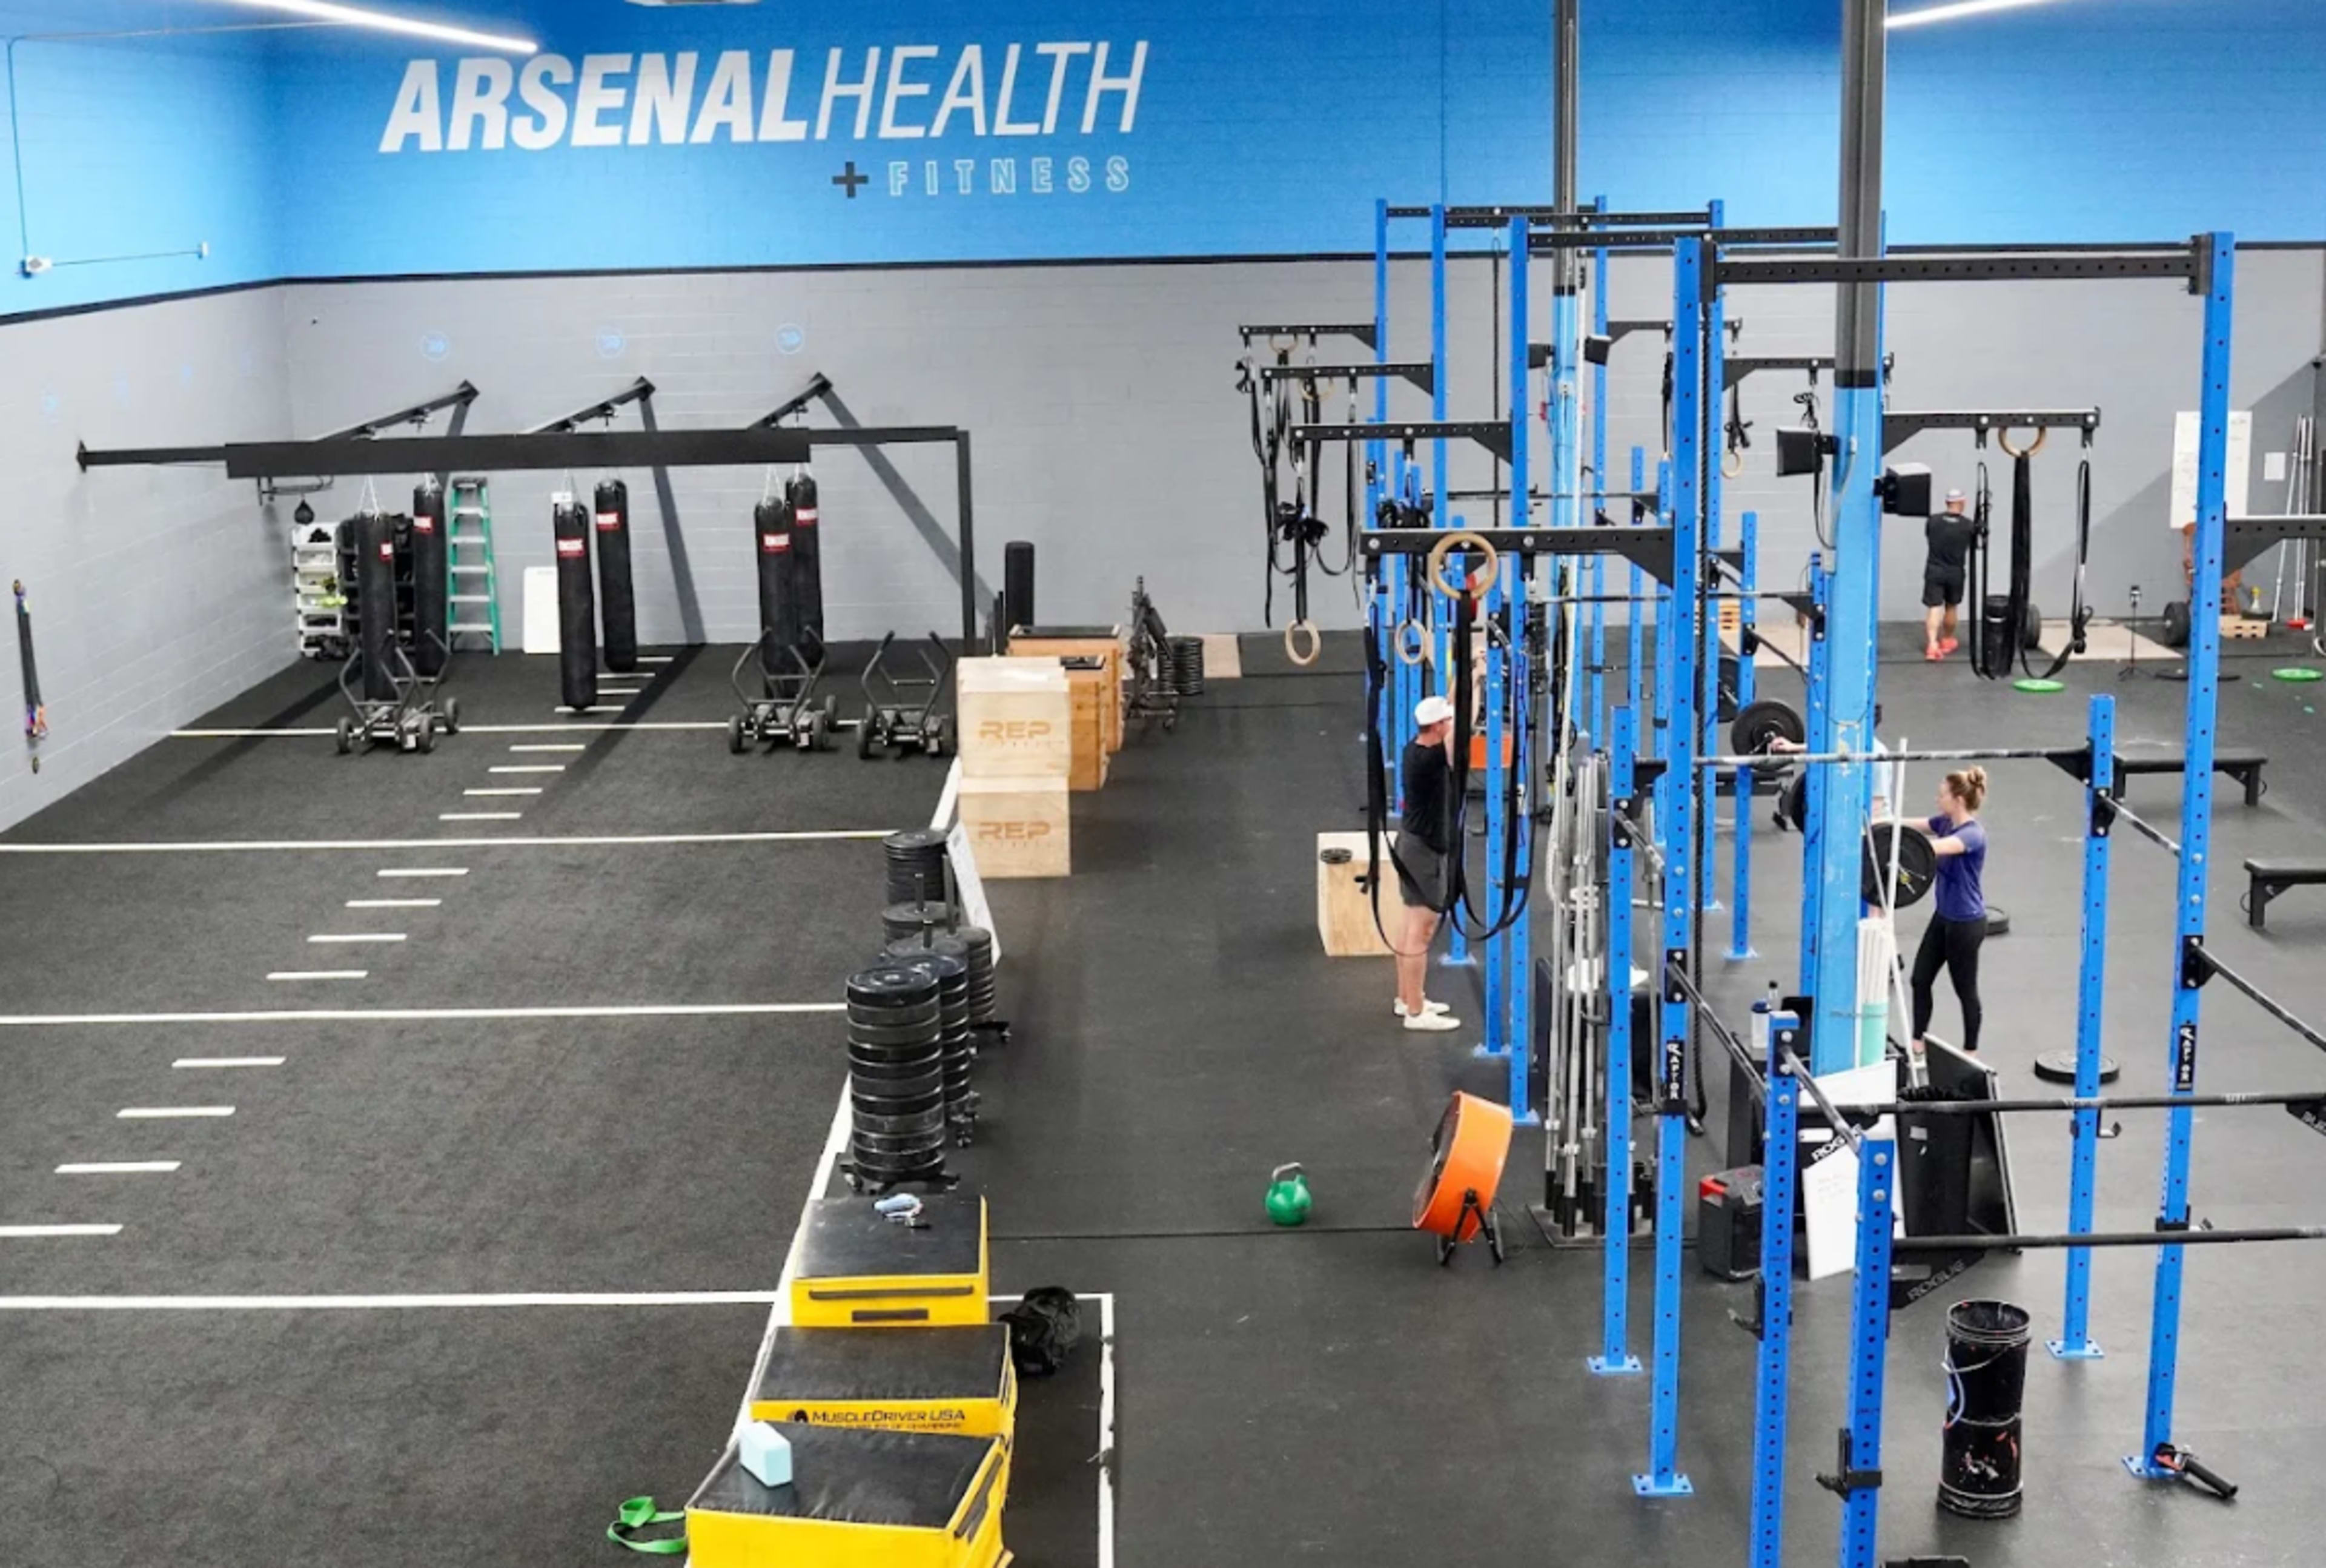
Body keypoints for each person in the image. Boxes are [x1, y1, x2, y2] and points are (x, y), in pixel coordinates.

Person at [1393, 694, 1461, 1032]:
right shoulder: (1431, 760)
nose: (1451, 724)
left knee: (1409, 927)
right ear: (1438, 727)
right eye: (1447, 721)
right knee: (1421, 932)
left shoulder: (1416, 746)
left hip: (1411, 845)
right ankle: (1416, 1014)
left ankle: (1408, 998)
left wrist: (1471, 675)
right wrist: (1475, 687)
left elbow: (1451, 706)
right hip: (1422, 852)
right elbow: (1459, 726)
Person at [1910, 767, 1989, 1053]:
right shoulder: (1944, 822)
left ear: (1958, 800)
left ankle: (1971, 1052)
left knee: (1965, 990)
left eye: (1942, 794)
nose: (1936, 798)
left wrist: (1900, 847)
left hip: (1966, 924)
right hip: (1943, 917)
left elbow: (1934, 848)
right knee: (1920, 979)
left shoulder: (1972, 835)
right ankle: (1917, 1043)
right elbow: (1911, 826)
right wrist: (1880, 823)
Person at [1923, 489, 1975, 660]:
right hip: (1955, 571)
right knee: (1951, 606)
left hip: (1934, 569)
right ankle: (1947, 640)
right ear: (1962, 503)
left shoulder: (1933, 521)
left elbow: (1929, 536)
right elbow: (1976, 544)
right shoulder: (1968, 525)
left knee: (1934, 606)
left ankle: (1932, 644)